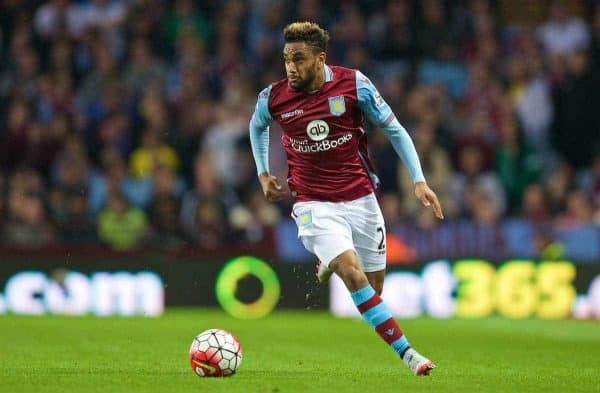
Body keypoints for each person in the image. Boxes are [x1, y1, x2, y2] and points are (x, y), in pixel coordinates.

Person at [249, 22, 444, 376]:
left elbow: (395, 129)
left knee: (373, 287)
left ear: (320, 59)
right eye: (286, 59)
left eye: (299, 59)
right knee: (352, 274)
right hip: (312, 203)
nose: (290, 67)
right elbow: (256, 125)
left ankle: (328, 261)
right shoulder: (274, 98)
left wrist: (419, 181)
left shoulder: (354, 85)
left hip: (360, 197)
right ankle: (409, 354)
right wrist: (263, 172)